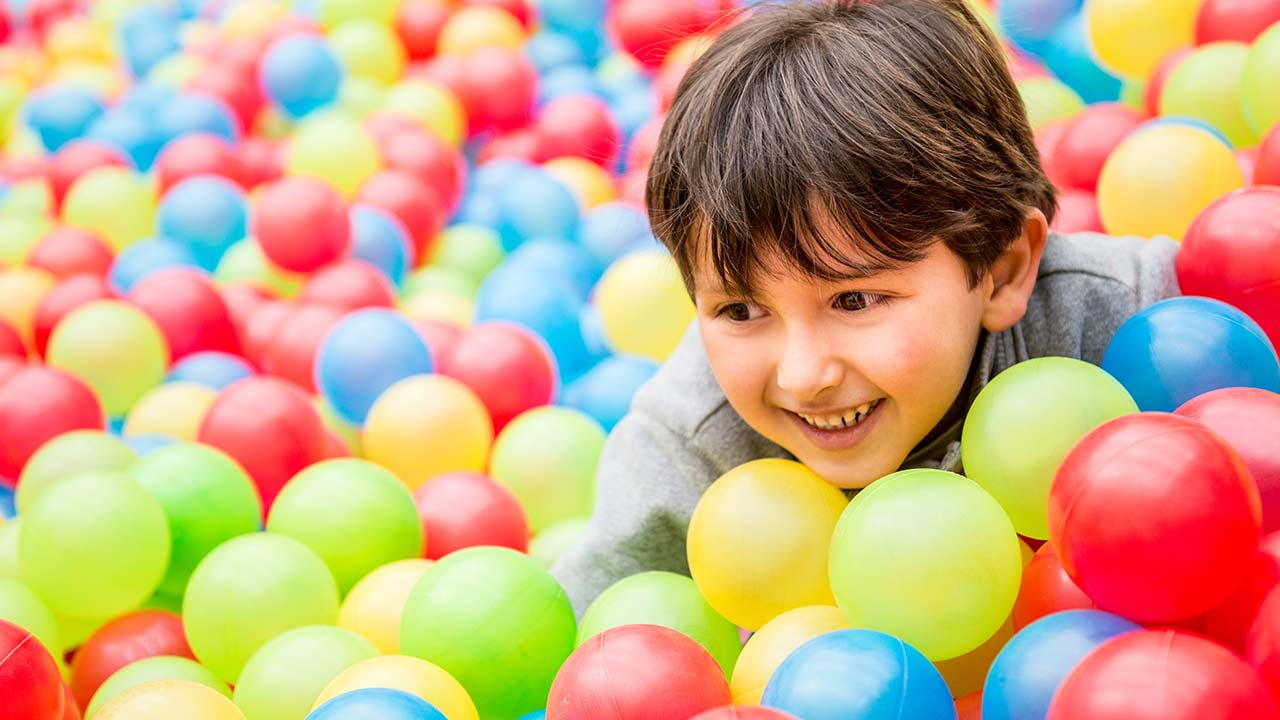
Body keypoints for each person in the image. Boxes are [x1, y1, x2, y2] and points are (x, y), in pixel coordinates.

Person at [551, 0, 1179, 615]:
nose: (803, 375)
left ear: (1003, 269)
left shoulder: (1133, 318)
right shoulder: (690, 446)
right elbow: (594, 648)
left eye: (853, 300)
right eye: (741, 311)